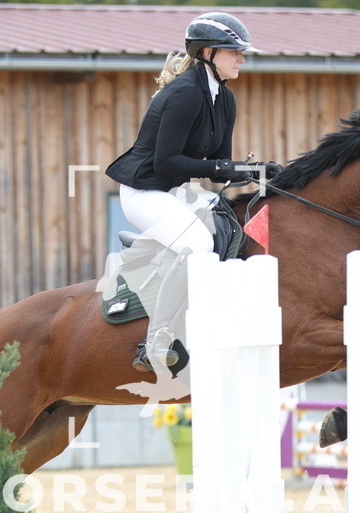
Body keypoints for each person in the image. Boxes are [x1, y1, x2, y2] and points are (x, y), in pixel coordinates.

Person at [106, 12, 282, 373]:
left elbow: (219, 166)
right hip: (144, 191)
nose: (242, 58)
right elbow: (167, 162)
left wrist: (256, 171)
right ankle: (156, 340)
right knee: (199, 244)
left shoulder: (225, 99)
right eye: (234, 51)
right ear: (208, 53)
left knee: (232, 227)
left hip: (174, 191)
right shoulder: (184, 94)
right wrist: (226, 168)